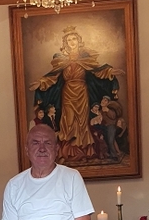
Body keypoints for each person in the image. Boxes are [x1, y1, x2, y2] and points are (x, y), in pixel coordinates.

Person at [30, 26, 121, 163]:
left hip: (82, 93)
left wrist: (110, 72)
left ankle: (84, 151)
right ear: (65, 43)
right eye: (69, 40)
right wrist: (41, 83)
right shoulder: (61, 60)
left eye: (74, 39)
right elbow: (53, 76)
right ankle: (68, 152)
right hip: (67, 93)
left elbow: (98, 70)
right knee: (68, 121)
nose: (72, 42)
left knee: (82, 121)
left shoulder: (86, 58)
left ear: (79, 41)